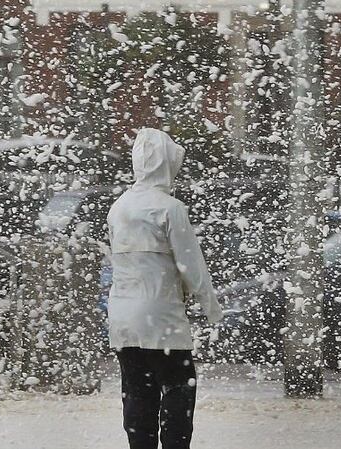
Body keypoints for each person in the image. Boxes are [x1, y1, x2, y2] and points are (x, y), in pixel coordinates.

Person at [106, 128, 223, 449]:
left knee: (137, 392)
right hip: (161, 317)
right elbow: (191, 264)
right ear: (168, 164)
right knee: (178, 387)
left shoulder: (118, 208)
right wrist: (212, 309)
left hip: (123, 319)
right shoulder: (170, 208)